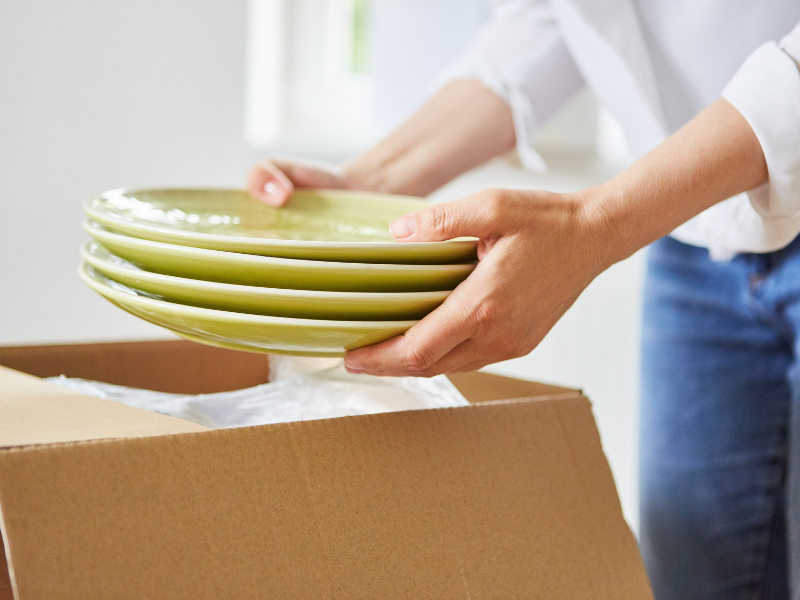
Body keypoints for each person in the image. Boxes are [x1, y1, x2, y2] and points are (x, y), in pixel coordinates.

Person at [247, 2, 800, 597]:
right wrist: (366, 183)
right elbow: (556, 21)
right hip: (697, 232)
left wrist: (597, 223)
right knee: (697, 579)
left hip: (688, 201)